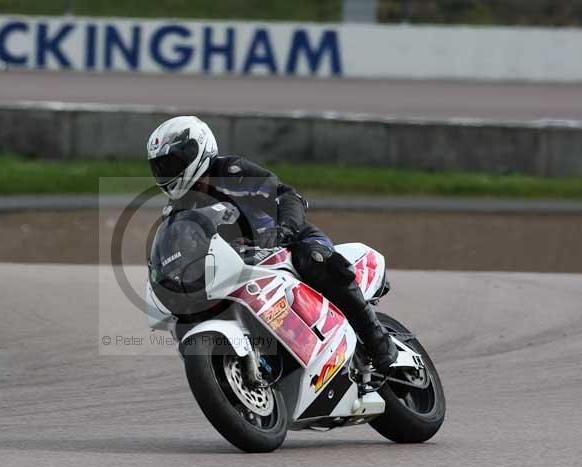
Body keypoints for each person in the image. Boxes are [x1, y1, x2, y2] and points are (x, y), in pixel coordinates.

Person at [147, 115, 397, 374]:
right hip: (243, 267)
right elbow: (174, 251)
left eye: (172, 163)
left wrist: (285, 229)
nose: (166, 173)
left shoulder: (232, 171)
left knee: (317, 261)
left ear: (197, 151)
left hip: (290, 241)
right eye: (160, 167)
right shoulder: (178, 212)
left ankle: (379, 342)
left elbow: (287, 195)